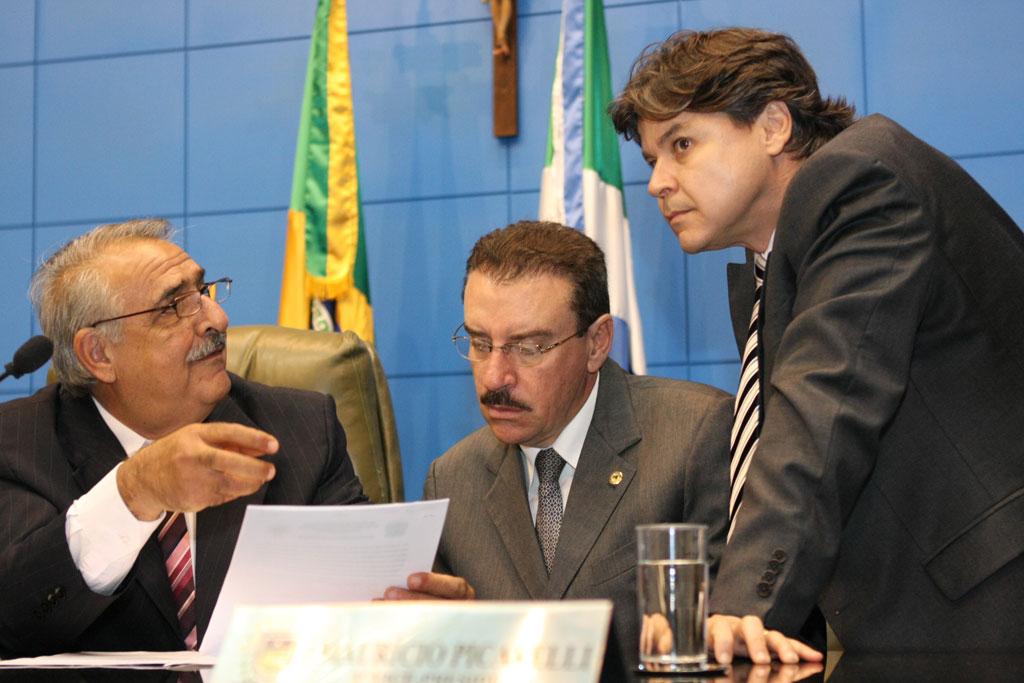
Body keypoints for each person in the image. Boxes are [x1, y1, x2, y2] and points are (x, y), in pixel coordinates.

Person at [610, 27, 1024, 658]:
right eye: (650, 160)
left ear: (773, 126)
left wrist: (739, 610)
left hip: (989, 614)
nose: (657, 183)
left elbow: (821, 415)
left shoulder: (860, 183)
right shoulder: (782, 262)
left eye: (682, 145)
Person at [386, 220, 769, 679]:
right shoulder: (452, 479)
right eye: (481, 343)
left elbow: (740, 632)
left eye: (529, 347)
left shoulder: (693, 436)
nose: (494, 377)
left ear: (597, 343)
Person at [0, 219, 367, 657]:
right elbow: (15, 618)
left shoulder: (301, 428)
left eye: (203, 292)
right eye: (172, 307)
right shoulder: (17, 446)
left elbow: (367, 593)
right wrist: (133, 492)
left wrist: (411, 606)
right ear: (98, 354)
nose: (218, 319)